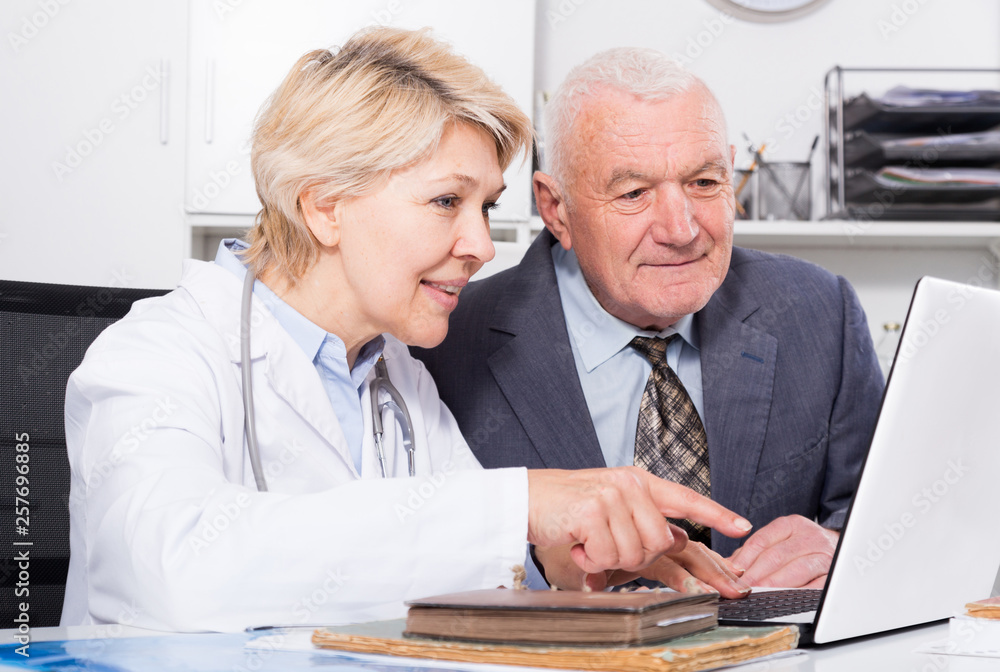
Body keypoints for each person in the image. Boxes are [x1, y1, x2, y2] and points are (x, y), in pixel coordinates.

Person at [61, 28, 752, 633]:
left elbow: (447, 572)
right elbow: (172, 570)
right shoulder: (153, 355)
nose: (482, 244)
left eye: (485, 206)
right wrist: (524, 504)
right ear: (325, 208)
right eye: (447, 201)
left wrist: (561, 564)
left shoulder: (400, 375)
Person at [414, 47, 883, 597]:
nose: (681, 229)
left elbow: (895, 516)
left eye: (704, 183)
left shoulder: (819, 311)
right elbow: (406, 555)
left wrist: (843, 548)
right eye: (634, 193)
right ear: (555, 208)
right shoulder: (441, 343)